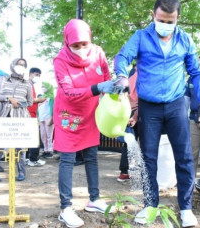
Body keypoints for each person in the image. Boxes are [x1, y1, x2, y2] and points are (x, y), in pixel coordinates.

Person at [114, 0, 200, 227]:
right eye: (161, 19)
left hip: (176, 105)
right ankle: (150, 206)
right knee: (148, 159)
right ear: (153, 15)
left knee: (185, 158)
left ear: (177, 18)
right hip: (149, 107)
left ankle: (186, 208)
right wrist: (122, 75)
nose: (165, 24)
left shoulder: (185, 39)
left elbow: (195, 72)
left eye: (171, 20)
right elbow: (123, 56)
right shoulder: (141, 37)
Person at [53, 19, 116, 228]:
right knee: (67, 160)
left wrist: (112, 91)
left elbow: (106, 75)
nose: (81, 49)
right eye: (75, 45)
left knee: (91, 157)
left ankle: (94, 199)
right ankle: (65, 208)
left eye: (84, 44)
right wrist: (99, 88)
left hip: (91, 112)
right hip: (68, 115)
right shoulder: (60, 60)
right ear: (67, 43)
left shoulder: (98, 52)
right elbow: (69, 92)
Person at [0, 58, 33, 182]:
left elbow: (30, 102)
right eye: (18, 64)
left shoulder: (27, 83)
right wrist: (9, 99)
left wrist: (19, 103)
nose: (21, 66)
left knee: (21, 146)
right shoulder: (3, 79)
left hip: (21, 116)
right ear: (12, 66)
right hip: (5, 114)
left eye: (23, 65)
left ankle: (21, 172)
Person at [116, 64, 139, 182]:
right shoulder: (143, 76)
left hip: (127, 112)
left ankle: (124, 172)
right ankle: (144, 171)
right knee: (146, 143)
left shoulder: (127, 80)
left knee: (128, 142)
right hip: (141, 112)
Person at [27, 67, 46, 167]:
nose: (37, 77)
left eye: (39, 75)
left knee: (29, 138)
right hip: (28, 115)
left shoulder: (32, 85)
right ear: (30, 74)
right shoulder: (27, 84)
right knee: (34, 138)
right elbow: (27, 99)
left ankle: (27, 158)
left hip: (32, 115)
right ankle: (33, 159)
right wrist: (39, 99)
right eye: (35, 74)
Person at [38, 82, 54, 159]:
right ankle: (45, 150)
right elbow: (39, 108)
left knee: (49, 135)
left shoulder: (51, 98)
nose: (42, 88)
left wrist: (51, 117)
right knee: (43, 135)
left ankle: (50, 151)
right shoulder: (42, 98)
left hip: (48, 118)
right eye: (42, 86)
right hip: (41, 118)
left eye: (44, 86)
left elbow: (52, 108)